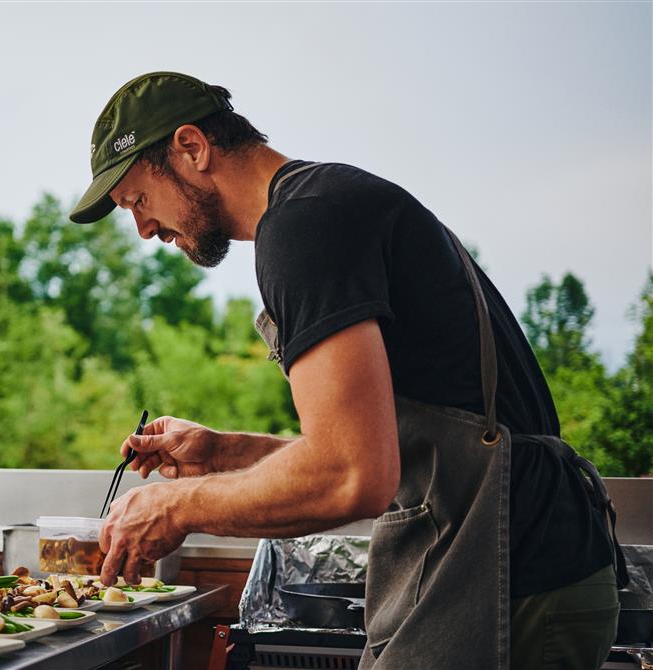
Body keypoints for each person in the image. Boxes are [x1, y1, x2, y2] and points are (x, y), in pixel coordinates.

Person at [69, 72, 623, 669]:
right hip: (512, 563)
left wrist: (175, 508)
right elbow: (379, 453)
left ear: (192, 148)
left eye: (138, 200)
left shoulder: (304, 227)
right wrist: (226, 452)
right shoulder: (325, 202)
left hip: (514, 579)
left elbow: (354, 476)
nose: (144, 229)